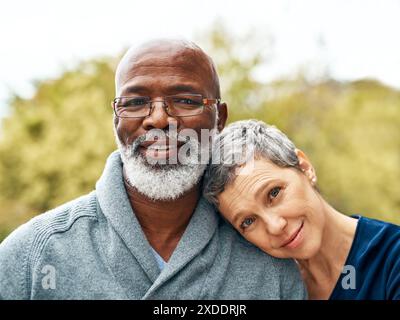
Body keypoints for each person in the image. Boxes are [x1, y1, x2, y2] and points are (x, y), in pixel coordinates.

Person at [0, 40, 306, 299]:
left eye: (185, 100)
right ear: (115, 119)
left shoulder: (272, 254)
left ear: (219, 119)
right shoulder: (34, 255)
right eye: (135, 102)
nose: (159, 119)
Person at [203, 119, 400, 300]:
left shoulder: (392, 259)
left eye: (273, 193)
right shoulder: (268, 289)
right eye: (248, 221)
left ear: (305, 167)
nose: (275, 226)